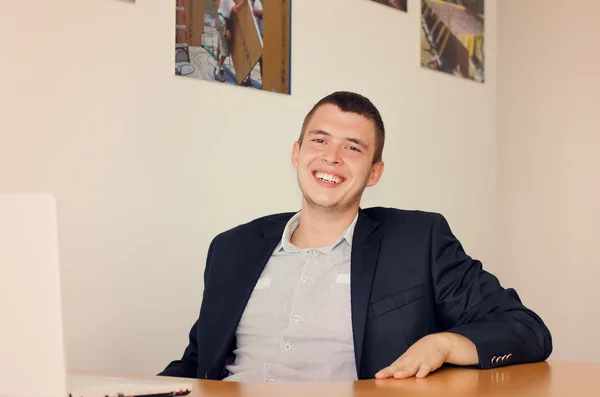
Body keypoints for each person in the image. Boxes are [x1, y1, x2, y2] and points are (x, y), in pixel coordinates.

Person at [159, 91, 552, 382]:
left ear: (375, 172)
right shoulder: (231, 248)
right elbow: (199, 362)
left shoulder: (417, 242)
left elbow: (526, 329)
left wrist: (444, 343)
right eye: (319, 140)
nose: (332, 157)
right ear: (296, 153)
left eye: (352, 148)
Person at [214, 0, 246, 83]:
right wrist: (243, 2)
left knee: (219, 44)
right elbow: (235, 10)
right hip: (222, 22)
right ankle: (217, 72)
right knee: (225, 50)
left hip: (219, 19)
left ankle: (217, 65)